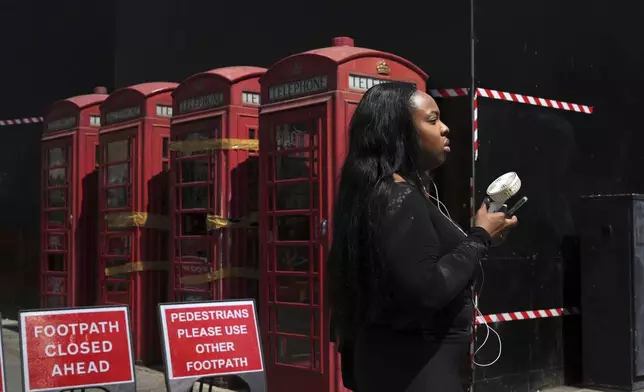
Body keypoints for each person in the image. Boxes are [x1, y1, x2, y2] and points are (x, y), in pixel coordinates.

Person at [327, 82, 518, 392]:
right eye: (432, 120)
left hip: (388, 366)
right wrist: (480, 236)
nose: (445, 129)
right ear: (398, 132)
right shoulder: (398, 197)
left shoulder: (375, 194)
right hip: (417, 374)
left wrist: (485, 237)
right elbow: (427, 288)